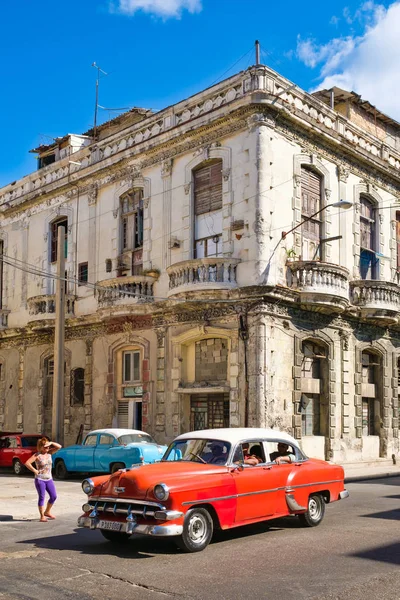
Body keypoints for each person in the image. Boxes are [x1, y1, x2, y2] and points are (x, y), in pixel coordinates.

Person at [25, 437, 62, 522]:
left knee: (54, 496)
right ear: (40, 447)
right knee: (42, 497)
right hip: (40, 479)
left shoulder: (49, 453)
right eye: (45, 447)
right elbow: (27, 463)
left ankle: (47, 511)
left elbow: (59, 446)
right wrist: (34, 470)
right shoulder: (37, 455)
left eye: (48, 447)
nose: (47, 448)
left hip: (49, 479)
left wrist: (51, 443)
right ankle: (42, 516)